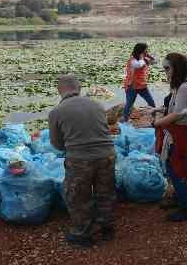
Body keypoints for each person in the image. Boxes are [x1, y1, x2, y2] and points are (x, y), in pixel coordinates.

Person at [48, 75, 116, 247]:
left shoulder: (56, 112)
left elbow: (57, 144)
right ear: (79, 89)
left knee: (78, 196)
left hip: (80, 159)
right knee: (105, 192)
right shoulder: (97, 105)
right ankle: (106, 227)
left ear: (60, 91)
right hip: (107, 154)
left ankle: (83, 233)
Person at [153, 53, 187, 222]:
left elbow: (176, 114)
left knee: (176, 168)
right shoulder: (180, 86)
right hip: (177, 132)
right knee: (173, 166)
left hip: (181, 133)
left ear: (177, 68)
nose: (165, 72)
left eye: (167, 68)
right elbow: (174, 109)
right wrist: (159, 111)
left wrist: (157, 123)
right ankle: (178, 197)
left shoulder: (185, 87)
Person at [121, 43, 157, 122]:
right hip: (132, 86)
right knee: (129, 105)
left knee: (151, 103)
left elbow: (155, 62)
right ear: (141, 50)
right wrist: (143, 58)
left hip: (142, 86)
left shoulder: (144, 58)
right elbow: (138, 65)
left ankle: (154, 119)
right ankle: (124, 120)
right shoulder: (132, 60)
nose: (146, 51)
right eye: (145, 50)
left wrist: (150, 56)